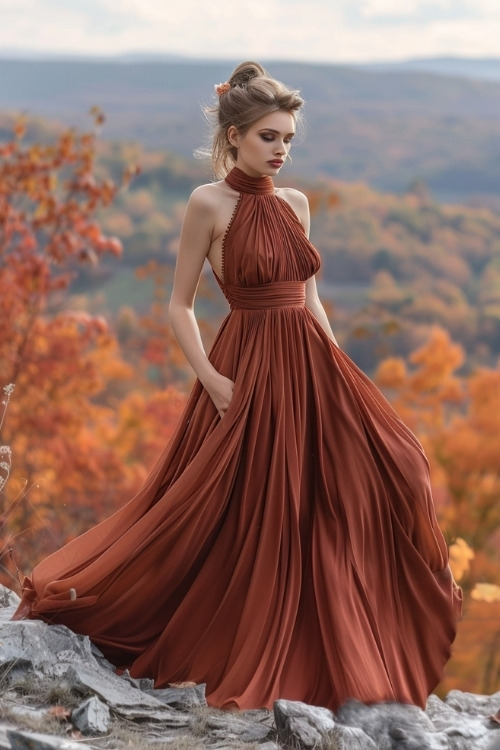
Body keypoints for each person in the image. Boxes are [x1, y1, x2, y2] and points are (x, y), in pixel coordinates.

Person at [13, 61, 462, 712]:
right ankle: (233, 635)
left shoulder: (297, 204)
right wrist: (214, 381)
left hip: (310, 365)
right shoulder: (207, 204)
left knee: (389, 472)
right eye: (269, 137)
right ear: (233, 135)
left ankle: (341, 647)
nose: (281, 151)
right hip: (245, 370)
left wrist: (340, 368)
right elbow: (177, 306)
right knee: (244, 513)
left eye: (288, 139)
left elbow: (309, 297)